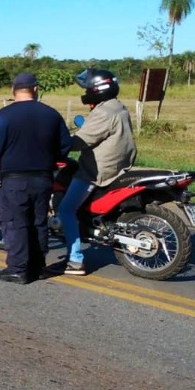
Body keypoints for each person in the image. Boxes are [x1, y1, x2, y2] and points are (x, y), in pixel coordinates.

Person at [0, 73, 72, 284]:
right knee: (38, 222)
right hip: (43, 179)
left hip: (15, 180)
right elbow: (65, 146)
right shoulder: (51, 114)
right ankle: (38, 267)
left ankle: (18, 268)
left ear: (13, 90)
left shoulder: (5, 115)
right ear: (35, 89)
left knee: (15, 222)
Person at [56, 69, 137, 275]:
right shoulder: (117, 107)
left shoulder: (103, 112)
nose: (86, 91)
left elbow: (81, 141)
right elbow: (97, 132)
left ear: (97, 89)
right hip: (120, 165)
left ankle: (75, 259)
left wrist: (57, 142)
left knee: (66, 210)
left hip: (98, 170)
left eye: (89, 87)